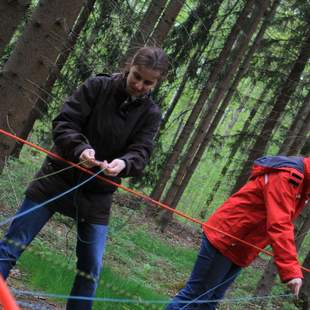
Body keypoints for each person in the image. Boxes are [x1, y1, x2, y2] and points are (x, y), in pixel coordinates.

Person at [0, 46, 168, 309]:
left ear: (156, 82)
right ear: (129, 67)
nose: (139, 85)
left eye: (148, 82)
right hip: (56, 179)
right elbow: (65, 122)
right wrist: (81, 149)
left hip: (97, 194)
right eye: (136, 76)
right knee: (11, 245)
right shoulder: (97, 86)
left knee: (91, 268)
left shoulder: (151, 114)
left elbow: (141, 152)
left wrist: (123, 163)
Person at [166, 155, 310, 309]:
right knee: (194, 299)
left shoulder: (304, 184)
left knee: (208, 303)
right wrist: (291, 270)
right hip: (226, 238)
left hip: (242, 246)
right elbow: (280, 224)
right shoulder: (288, 176)